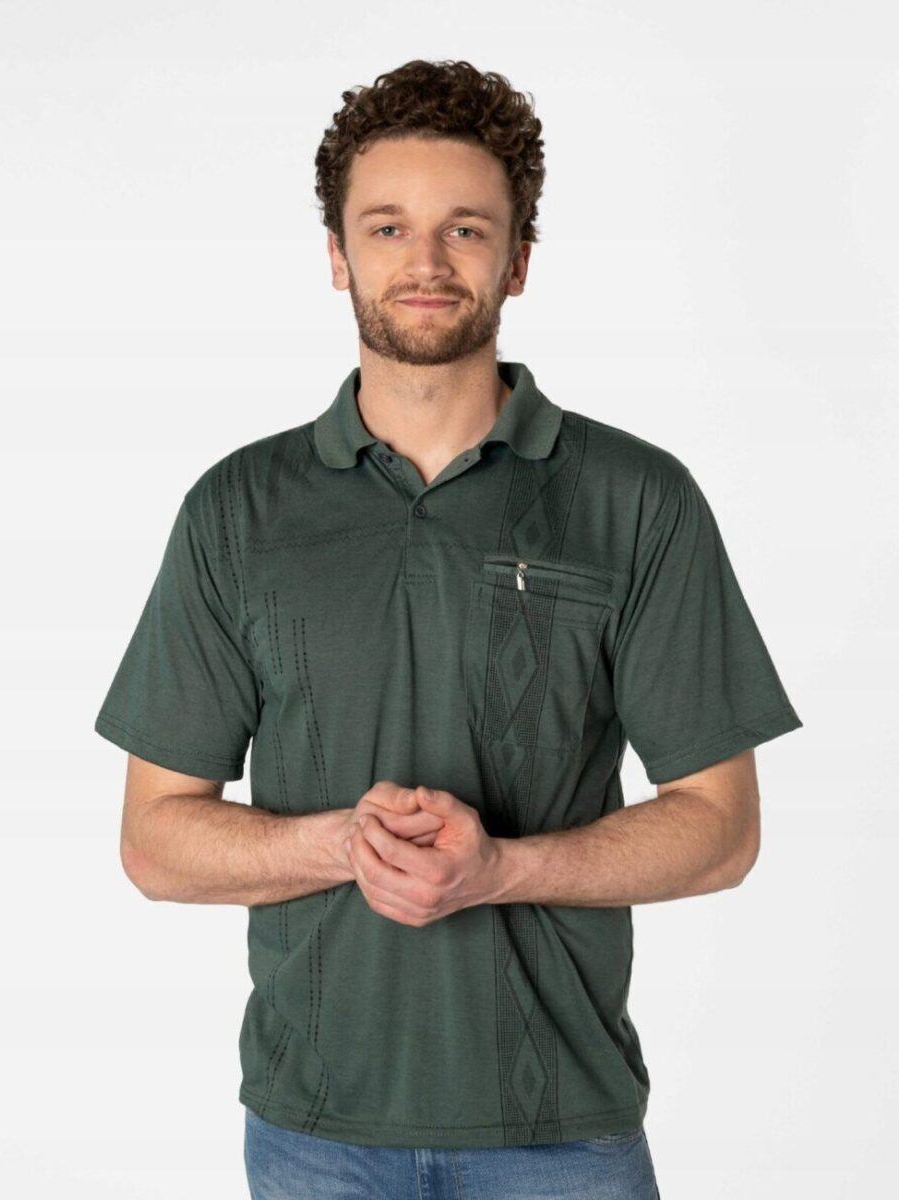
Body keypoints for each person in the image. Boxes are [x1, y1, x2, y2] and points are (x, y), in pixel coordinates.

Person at [94, 58, 803, 1200]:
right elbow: (155, 842)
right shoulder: (236, 512)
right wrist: (346, 845)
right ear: (338, 254)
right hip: (313, 1134)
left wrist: (499, 869)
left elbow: (722, 831)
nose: (424, 262)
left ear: (517, 260)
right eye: (387, 227)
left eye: (464, 229)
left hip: (562, 1135)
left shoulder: (635, 500)